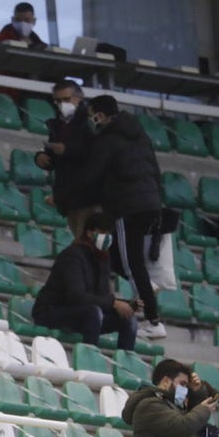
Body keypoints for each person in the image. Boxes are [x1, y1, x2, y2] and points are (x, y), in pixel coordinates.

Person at [77, 94, 166, 339]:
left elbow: (92, 175)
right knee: (115, 255)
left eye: (92, 114)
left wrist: (69, 195)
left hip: (128, 207)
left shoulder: (108, 140)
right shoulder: (140, 135)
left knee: (131, 262)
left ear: (101, 115)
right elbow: (155, 172)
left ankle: (154, 320)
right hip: (149, 203)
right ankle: (148, 288)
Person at [31, 212, 138, 350]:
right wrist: (113, 303)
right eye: (103, 232)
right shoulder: (72, 255)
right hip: (52, 311)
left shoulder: (103, 258)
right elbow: (76, 296)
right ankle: (89, 360)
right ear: (89, 233)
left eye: (109, 233)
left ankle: (126, 368)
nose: (107, 237)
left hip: (83, 313)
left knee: (128, 318)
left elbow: (102, 296)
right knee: (94, 312)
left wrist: (129, 305)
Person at [34, 80, 96, 237]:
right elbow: (54, 153)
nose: (63, 104)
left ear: (79, 97)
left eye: (67, 99)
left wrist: (68, 150)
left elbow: (98, 153)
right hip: (70, 196)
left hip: (90, 195)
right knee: (80, 239)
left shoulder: (92, 121)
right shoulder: (58, 125)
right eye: (58, 101)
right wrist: (43, 158)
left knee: (89, 242)